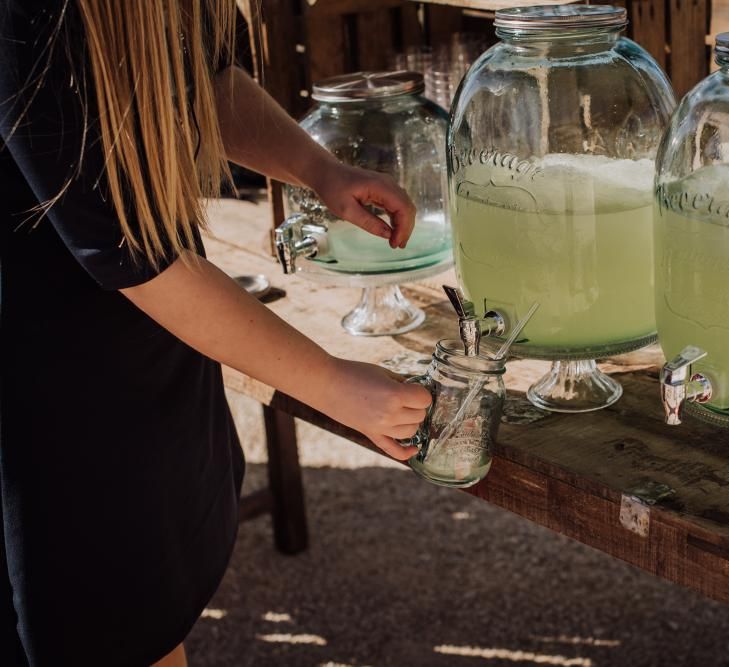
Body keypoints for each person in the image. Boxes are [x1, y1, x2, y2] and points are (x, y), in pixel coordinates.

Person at [0, 1, 432, 665]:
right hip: (41, 385)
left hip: (138, 348)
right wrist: (335, 385)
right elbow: (134, 262)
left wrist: (322, 171)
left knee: (155, 596)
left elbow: (206, 76)